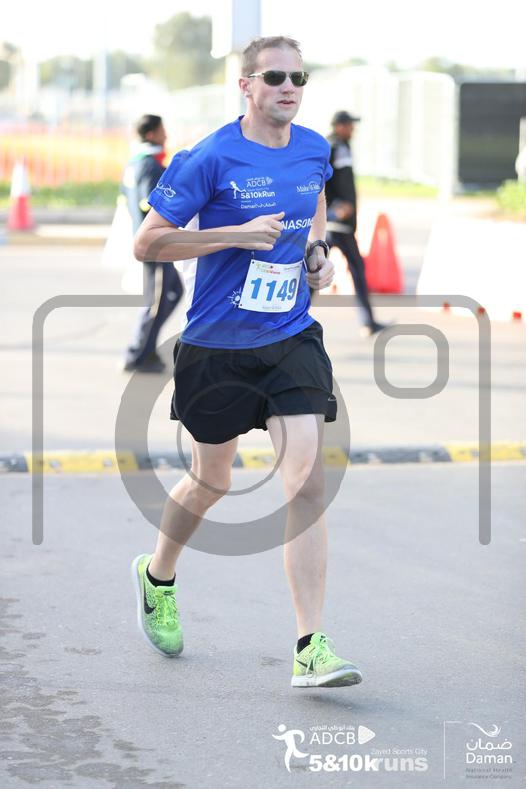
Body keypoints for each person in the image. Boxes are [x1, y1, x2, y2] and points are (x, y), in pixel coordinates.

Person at [131, 36, 363, 689]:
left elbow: (313, 203)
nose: (289, 88)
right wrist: (234, 234)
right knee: (212, 479)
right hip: (217, 345)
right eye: (275, 77)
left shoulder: (313, 148)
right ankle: (158, 575)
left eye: (298, 78)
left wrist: (317, 252)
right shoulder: (208, 156)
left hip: (290, 336)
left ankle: (310, 646)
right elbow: (147, 243)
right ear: (247, 85)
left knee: (306, 483)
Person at [121, 114, 183, 373]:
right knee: (156, 300)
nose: (165, 134)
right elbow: (149, 202)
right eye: (162, 130)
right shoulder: (149, 165)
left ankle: (146, 347)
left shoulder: (134, 163)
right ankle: (137, 354)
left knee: (173, 291)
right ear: (151, 134)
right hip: (155, 245)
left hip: (152, 243)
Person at [326, 110, 388, 337]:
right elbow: (328, 180)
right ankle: (368, 322)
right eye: (349, 125)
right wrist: (336, 206)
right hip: (338, 222)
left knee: (316, 272)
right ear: (339, 126)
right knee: (355, 270)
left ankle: (368, 321)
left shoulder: (336, 146)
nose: (353, 129)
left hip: (336, 223)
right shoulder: (335, 147)